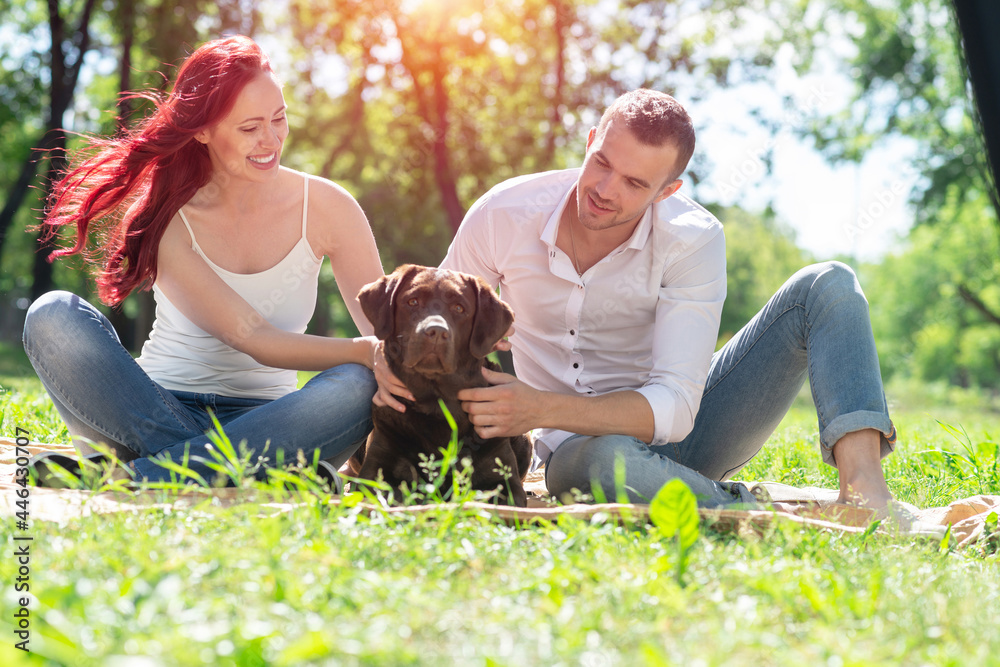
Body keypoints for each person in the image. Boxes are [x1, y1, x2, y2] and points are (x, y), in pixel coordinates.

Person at [375, 88, 897, 511]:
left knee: (826, 283)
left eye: (633, 182)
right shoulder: (503, 214)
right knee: (609, 463)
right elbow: (438, 314)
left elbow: (675, 408)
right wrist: (380, 359)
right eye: (601, 162)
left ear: (666, 192)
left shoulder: (692, 239)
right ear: (589, 141)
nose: (605, 189)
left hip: (691, 428)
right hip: (576, 450)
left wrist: (539, 406)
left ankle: (864, 495)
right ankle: (746, 510)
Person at [24, 35, 383, 487]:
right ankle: (253, 473)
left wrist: (380, 357)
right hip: (149, 411)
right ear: (203, 130)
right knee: (52, 313)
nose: (270, 140)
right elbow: (252, 336)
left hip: (275, 419)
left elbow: (386, 333)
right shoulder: (170, 216)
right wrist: (363, 352)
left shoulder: (329, 207)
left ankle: (143, 476)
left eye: (279, 118)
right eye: (250, 128)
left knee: (358, 384)